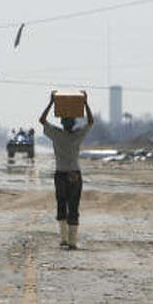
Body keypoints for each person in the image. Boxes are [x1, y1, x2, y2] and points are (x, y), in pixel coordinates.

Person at [39, 91, 94, 249]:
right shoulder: (78, 135)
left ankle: (63, 238)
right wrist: (85, 103)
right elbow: (91, 121)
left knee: (61, 203)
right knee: (74, 206)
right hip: (75, 174)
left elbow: (41, 120)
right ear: (74, 123)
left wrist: (51, 103)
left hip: (61, 174)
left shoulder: (56, 134)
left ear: (62, 123)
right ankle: (73, 241)